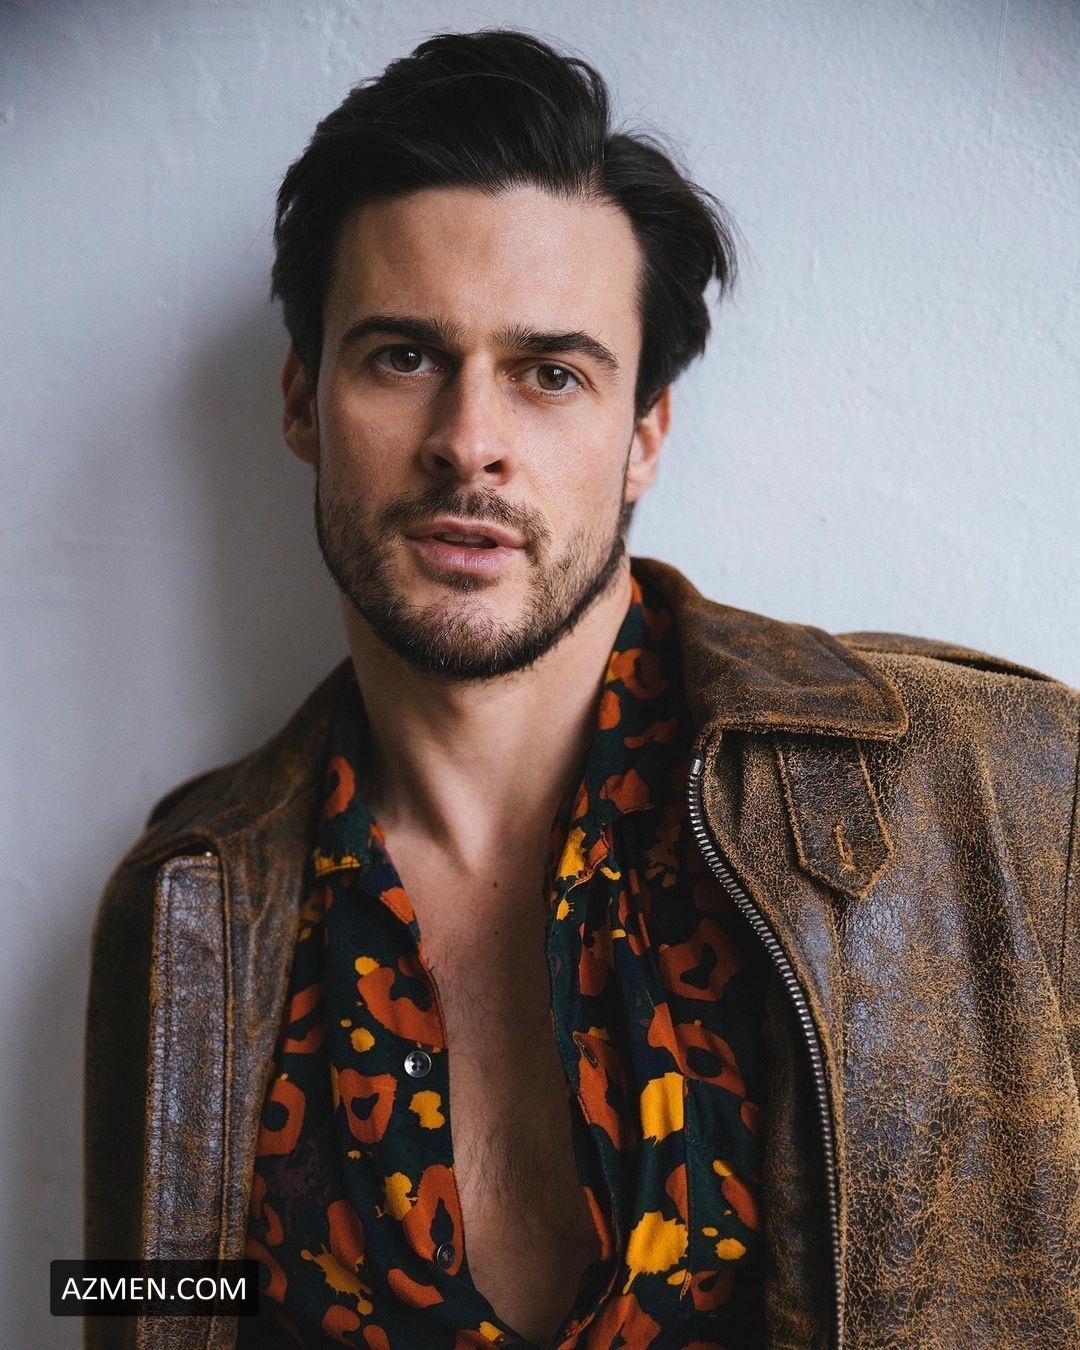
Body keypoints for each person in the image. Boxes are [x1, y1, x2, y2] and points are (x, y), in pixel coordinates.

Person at [85, 28, 1079, 1350]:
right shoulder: (186, 902)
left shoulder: (995, 790)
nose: (470, 444)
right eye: (403, 357)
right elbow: (136, 1299)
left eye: (550, 373)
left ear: (643, 435)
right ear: (303, 403)